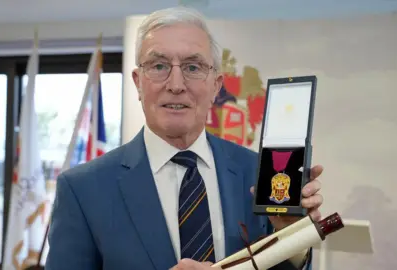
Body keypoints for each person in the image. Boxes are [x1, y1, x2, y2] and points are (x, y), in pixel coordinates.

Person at [45, 6, 324, 270]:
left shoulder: (256, 173)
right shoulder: (82, 190)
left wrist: (290, 232)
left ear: (216, 86)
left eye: (192, 67)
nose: (176, 85)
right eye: (158, 66)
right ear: (137, 82)